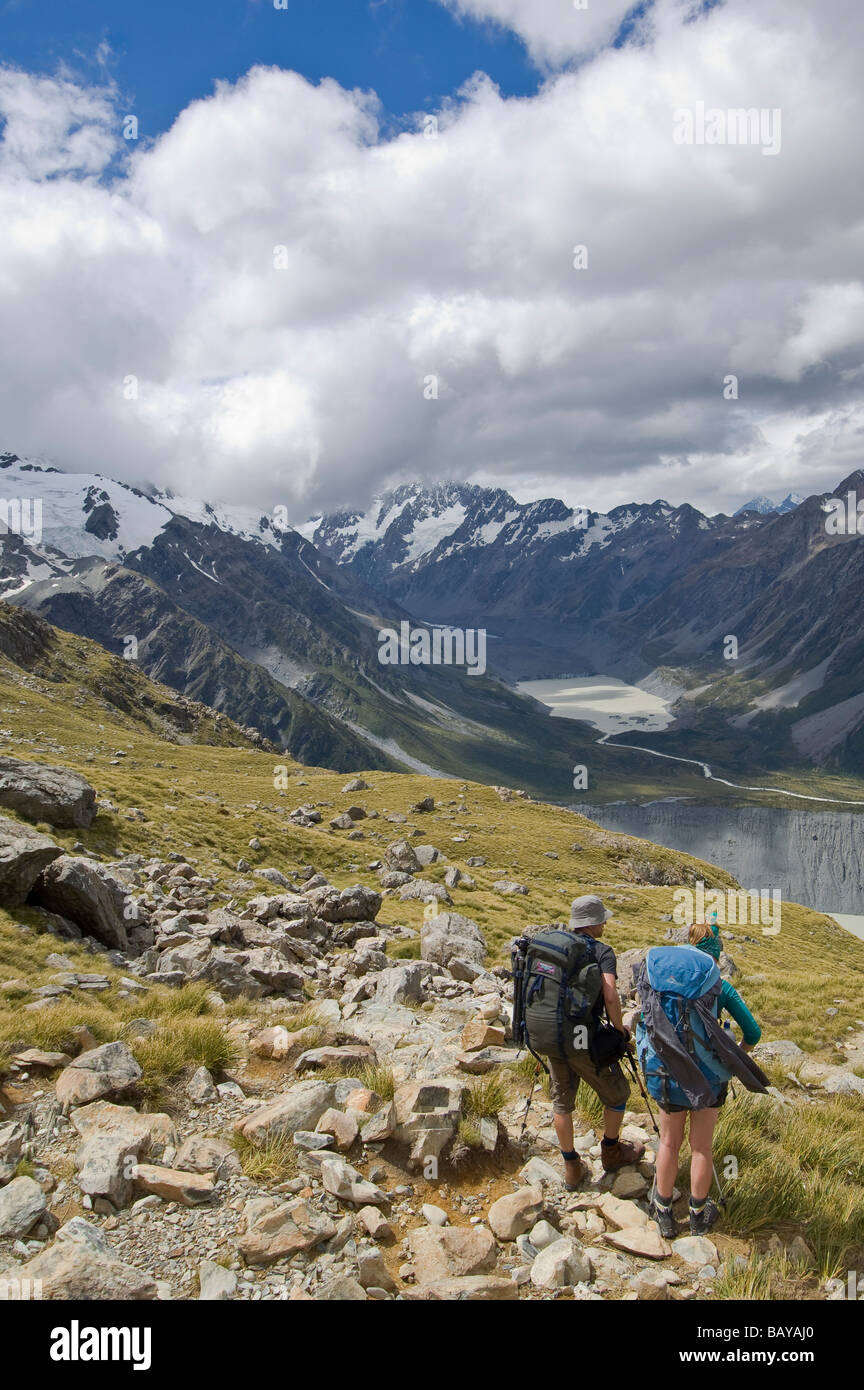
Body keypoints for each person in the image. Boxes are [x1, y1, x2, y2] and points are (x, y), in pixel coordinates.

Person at [639, 920, 762, 1239]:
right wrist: (733, 1055)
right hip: (709, 1080)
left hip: (666, 1073)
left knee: (668, 1141)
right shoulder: (720, 986)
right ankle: (697, 1215)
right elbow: (753, 1032)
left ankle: (663, 1211)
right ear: (715, 954)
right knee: (701, 1147)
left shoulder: (662, 981)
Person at [546, 894, 645, 1189]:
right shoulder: (602, 951)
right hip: (582, 1038)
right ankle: (611, 1152)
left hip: (551, 1033)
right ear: (593, 923)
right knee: (617, 1093)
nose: (605, 923)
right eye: (603, 919)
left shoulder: (557, 946)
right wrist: (620, 1031)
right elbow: (611, 995)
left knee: (561, 1101)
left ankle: (571, 1167)